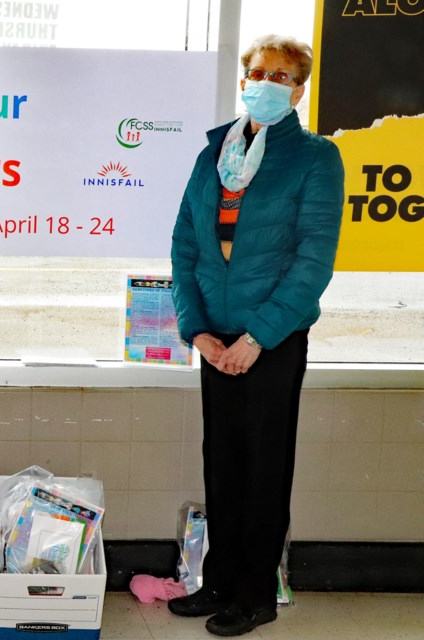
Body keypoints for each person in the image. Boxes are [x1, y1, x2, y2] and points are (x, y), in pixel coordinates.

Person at [169, 35, 344, 637]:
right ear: (244, 78)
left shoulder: (315, 158)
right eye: (258, 72)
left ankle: (255, 595)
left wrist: (258, 337)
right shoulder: (213, 152)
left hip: (271, 341)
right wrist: (197, 332)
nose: (266, 82)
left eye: (281, 75)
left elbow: (313, 260)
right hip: (216, 341)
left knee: (263, 469)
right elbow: (184, 246)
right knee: (222, 466)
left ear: (299, 89)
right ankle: (217, 581)